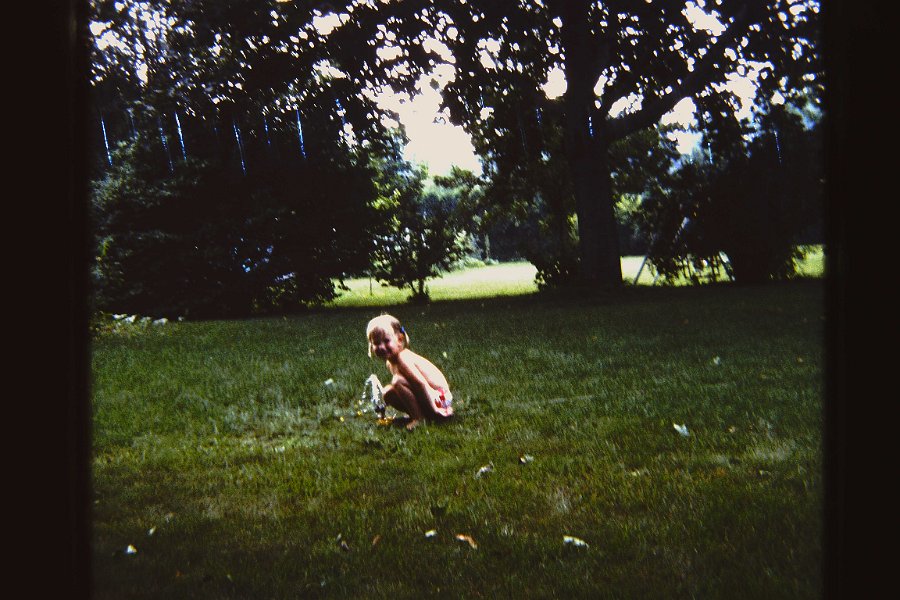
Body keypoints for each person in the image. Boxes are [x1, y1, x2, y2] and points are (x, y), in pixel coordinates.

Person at [365, 314, 453, 430]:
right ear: (371, 346)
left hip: (440, 398)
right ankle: (420, 414)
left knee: (397, 381)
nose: (381, 346)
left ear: (400, 340)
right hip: (430, 396)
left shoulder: (403, 358)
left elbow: (421, 383)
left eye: (386, 341)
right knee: (388, 393)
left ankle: (420, 418)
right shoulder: (390, 362)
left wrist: (435, 409)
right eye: (377, 343)